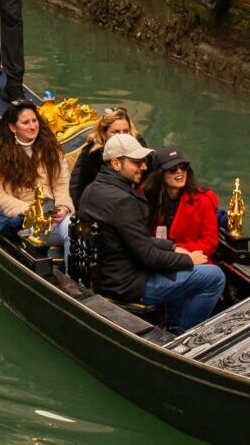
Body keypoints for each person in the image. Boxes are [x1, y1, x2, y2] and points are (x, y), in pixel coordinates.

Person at [79, 134, 225, 332]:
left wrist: (174, 248)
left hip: (108, 276)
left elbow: (138, 240)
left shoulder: (92, 190)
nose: (144, 167)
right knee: (215, 277)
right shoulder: (123, 200)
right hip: (131, 284)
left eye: (143, 162)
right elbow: (147, 256)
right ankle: (182, 334)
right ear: (115, 163)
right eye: (136, 163)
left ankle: (173, 323)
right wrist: (189, 260)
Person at [0, 101, 71, 256]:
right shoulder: (0, 153)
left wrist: (63, 207)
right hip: (22, 219)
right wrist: (29, 212)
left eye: (34, 120)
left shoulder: (51, 147)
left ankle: (72, 278)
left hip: (52, 214)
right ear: (13, 127)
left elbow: (61, 184)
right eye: (26, 122)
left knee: (73, 230)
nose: (33, 126)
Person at [145, 147, 221, 261]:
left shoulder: (203, 199)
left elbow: (209, 243)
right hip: (157, 259)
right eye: (172, 169)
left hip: (193, 260)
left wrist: (176, 250)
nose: (179, 171)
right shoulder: (147, 197)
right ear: (159, 174)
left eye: (183, 167)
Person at [67, 106, 134, 203]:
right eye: (115, 132)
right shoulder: (91, 154)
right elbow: (77, 188)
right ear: (103, 133)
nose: (122, 136)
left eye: (126, 131)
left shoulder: (138, 150)